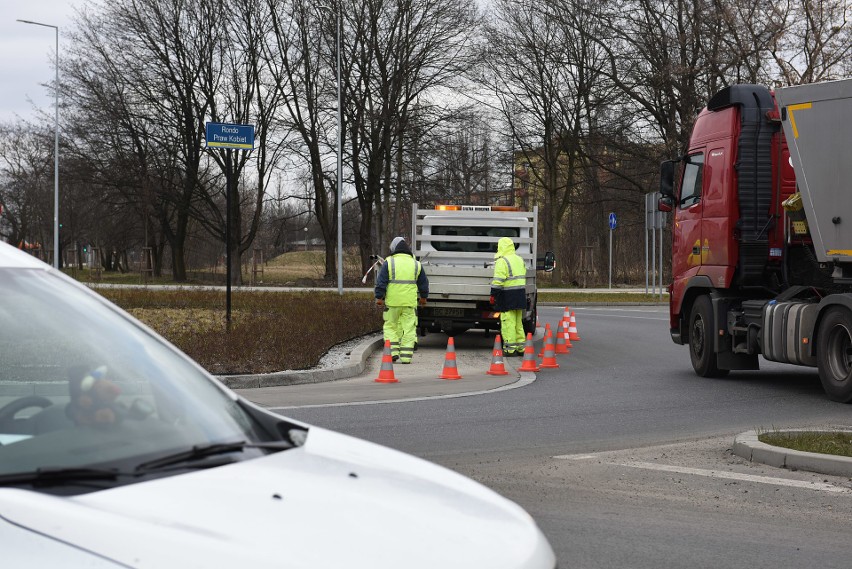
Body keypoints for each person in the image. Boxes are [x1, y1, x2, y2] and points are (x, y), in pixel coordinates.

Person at [375, 237, 429, 364]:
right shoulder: (416, 264)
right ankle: (406, 357)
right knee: (409, 329)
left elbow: (381, 282)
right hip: (409, 303)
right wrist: (423, 297)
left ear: (394, 249)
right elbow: (423, 283)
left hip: (392, 303)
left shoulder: (389, 262)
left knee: (390, 326)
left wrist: (379, 297)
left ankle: (393, 352)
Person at [490, 237, 527, 356]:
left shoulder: (502, 261)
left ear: (501, 247)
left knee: (508, 323)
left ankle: (509, 350)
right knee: (518, 323)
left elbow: (498, 281)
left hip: (507, 297)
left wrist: (493, 295)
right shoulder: (520, 259)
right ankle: (521, 348)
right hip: (520, 295)